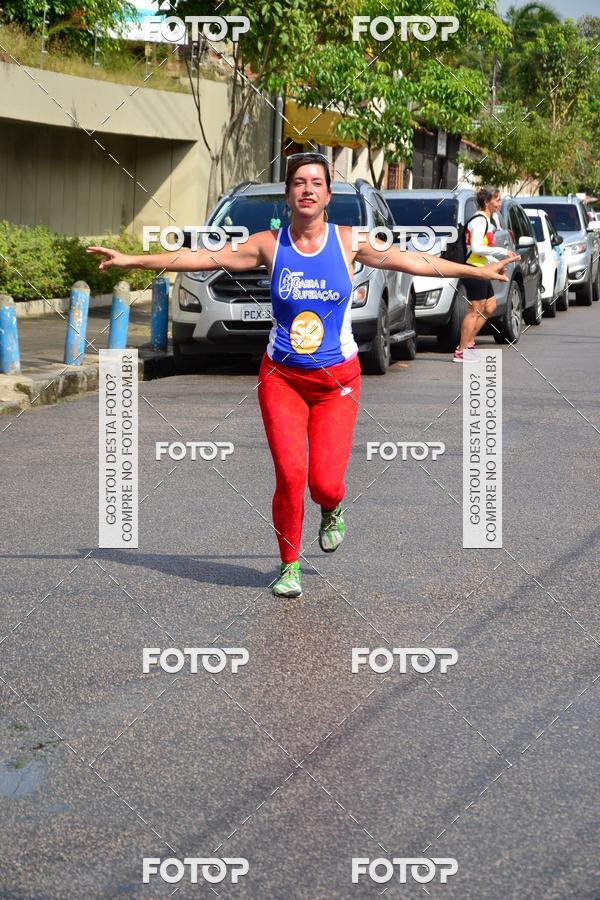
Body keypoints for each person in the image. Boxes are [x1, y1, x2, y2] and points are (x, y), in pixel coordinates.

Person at [87, 154, 518, 598]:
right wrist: (131, 261)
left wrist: (476, 271)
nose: (307, 188)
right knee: (290, 476)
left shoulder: (350, 241)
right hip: (282, 378)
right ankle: (289, 564)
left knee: (324, 483)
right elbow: (199, 256)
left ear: (328, 195)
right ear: (289, 194)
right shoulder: (269, 245)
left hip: (337, 382)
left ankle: (332, 508)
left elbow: (416, 262)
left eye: (316, 182)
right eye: (298, 182)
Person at [453, 186, 512, 363]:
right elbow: (477, 248)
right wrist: (502, 252)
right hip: (474, 269)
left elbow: (483, 250)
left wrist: (496, 263)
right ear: (487, 202)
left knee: (490, 306)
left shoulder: (488, 219)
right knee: (474, 311)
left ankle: (469, 343)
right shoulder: (479, 220)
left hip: (482, 269)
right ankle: (461, 351)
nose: (499, 203)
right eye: (497, 200)